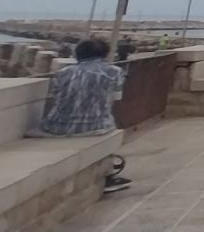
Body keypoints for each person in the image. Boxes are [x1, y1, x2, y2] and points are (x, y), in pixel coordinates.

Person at [32, 39, 131, 192]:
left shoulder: (63, 73)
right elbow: (116, 99)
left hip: (57, 126)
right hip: (96, 126)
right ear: (105, 54)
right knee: (110, 122)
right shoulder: (114, 72)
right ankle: (108, 176)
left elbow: (54, 98)